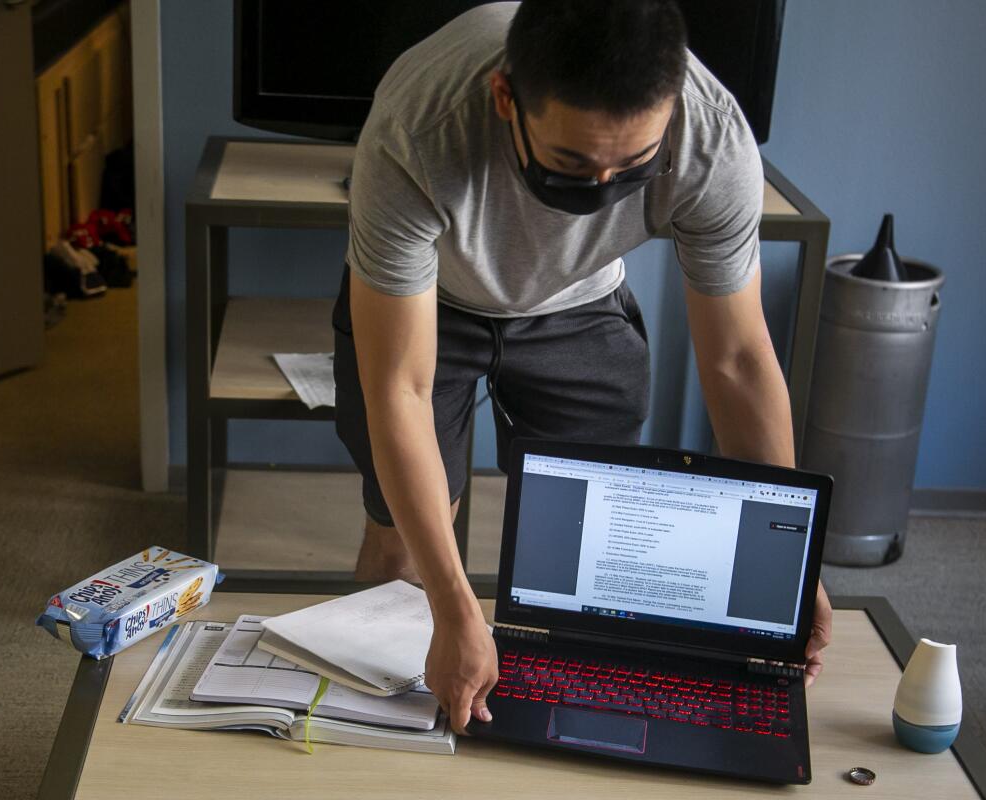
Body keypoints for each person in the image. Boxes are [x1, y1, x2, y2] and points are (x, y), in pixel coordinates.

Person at [332, 0, 832, 733]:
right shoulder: (420, 126)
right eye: (571, 163)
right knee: (407, 538)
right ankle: (380, 734)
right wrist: (453, 605)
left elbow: (736, 360)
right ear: (508, 100)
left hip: (579, 303)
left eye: (629, 168)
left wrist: (788, 569)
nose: (598, 191)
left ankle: (557, 734)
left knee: (594, 557)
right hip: (431, 297)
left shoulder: (712, 141)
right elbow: (400, 388)